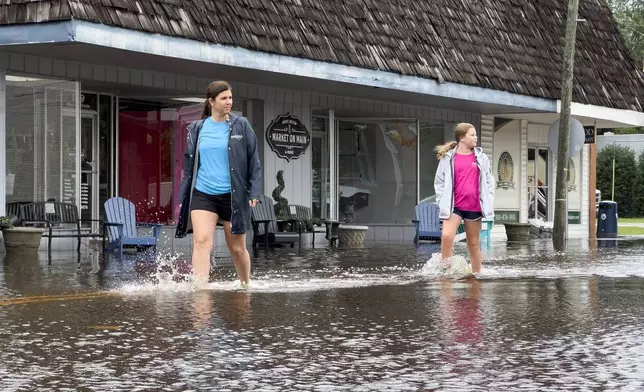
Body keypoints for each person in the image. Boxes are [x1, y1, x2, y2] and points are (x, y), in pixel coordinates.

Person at [175, 81, 261, 289]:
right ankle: (201, 288)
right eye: (224, 98)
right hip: (203, 194)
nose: (228, 102)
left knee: (237, 249)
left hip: (233, 196)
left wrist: (254, 191)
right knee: (202, 241)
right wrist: (183, 196)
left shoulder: (242, 125)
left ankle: (245, 285)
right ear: (211, 102)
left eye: (230, 97)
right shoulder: (197, 129)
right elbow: (189, 167)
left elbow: (254, 161)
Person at [434, 123, 494, 273]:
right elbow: (439, 181)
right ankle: (446, 271)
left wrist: (488, 200)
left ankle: (477, 274)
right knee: (447, 236)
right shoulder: (448, 158)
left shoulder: (481, 158)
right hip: (455, 206)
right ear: (462, 137)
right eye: (472, 135)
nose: (476, 137)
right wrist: (441, 200)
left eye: (476, 134)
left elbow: (489, 181)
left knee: (473, 243)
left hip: (474, 207)